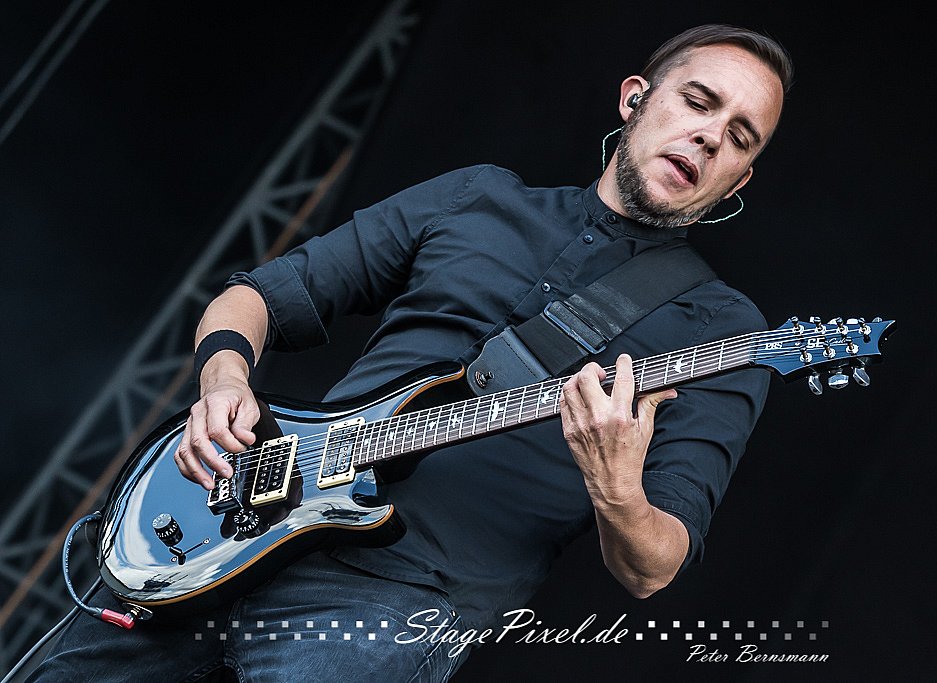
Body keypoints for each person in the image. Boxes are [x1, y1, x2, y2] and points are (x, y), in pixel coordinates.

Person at [28, 23, 792, 683]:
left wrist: (617, 486)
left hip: (401, 604)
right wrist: (223, 380)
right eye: (698, 102)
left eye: (739, 137)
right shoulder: (478, 198)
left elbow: (654, 564)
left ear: (741, 180)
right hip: (242, 525)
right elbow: (256, 297)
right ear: (635, 99)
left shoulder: (724, 332)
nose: (710, 136)